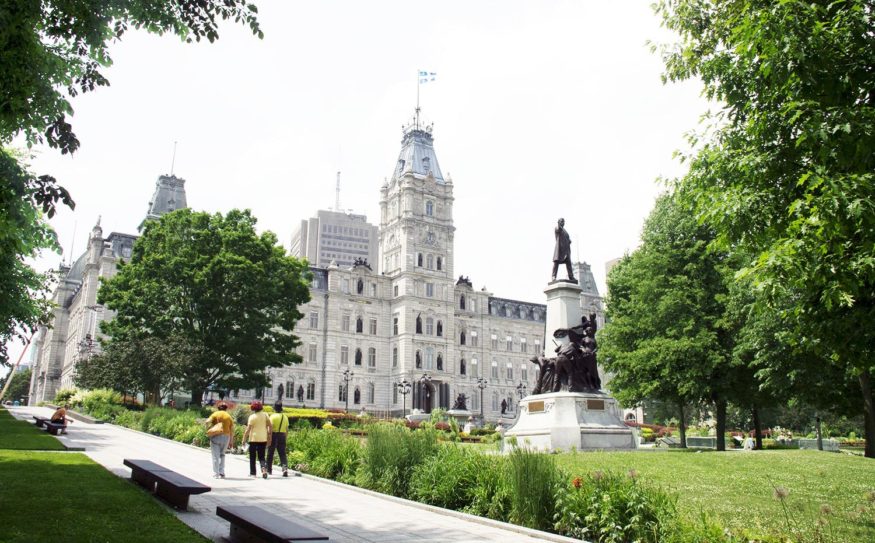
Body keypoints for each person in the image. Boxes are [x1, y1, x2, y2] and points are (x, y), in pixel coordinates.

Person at [243, 400, 272, 479]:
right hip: (263, 438)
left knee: (252, 457)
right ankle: (264, 469)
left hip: (253, 439)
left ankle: (253, 473)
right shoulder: (265, 415)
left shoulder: (252, 417)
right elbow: (270, 425)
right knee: (262, 456)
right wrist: (269, 435)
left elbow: (248, 430)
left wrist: (244, 439)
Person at [205, 402, 234, 478]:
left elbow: (207, 421)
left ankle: (216, 473)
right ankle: (222, 472)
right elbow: (232, 430)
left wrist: (207, 428)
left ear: (218, 408)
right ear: (226, 408)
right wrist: (231, 441)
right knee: (222, 454)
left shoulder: (215, 414)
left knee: (215, 455)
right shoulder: (229, 416)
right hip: (226, 437)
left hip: (216, 436)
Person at [267, 401, 289, 477]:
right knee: (282, 453)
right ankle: (285, 468)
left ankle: (269, 470)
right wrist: (285, 437)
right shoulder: (285, 417)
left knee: (270, 453)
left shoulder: (272, 416)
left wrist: (269, 437)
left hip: (274, 435)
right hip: (282, 435)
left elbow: (270, 428)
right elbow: (286, 430)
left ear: (275, 408)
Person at [551, 218, 576, 282]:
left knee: (569, 263)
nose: (563, 223)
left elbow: (568, 239)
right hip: (560, 249)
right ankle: (553, 276)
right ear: (559, 222)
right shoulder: (557, 228)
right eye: (562, 221)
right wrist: (559, 224)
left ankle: (571, 276)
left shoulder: (565, 231)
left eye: (564, 221)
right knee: (556, 262)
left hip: (566, 250)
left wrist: (569, 241)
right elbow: (558, 229)